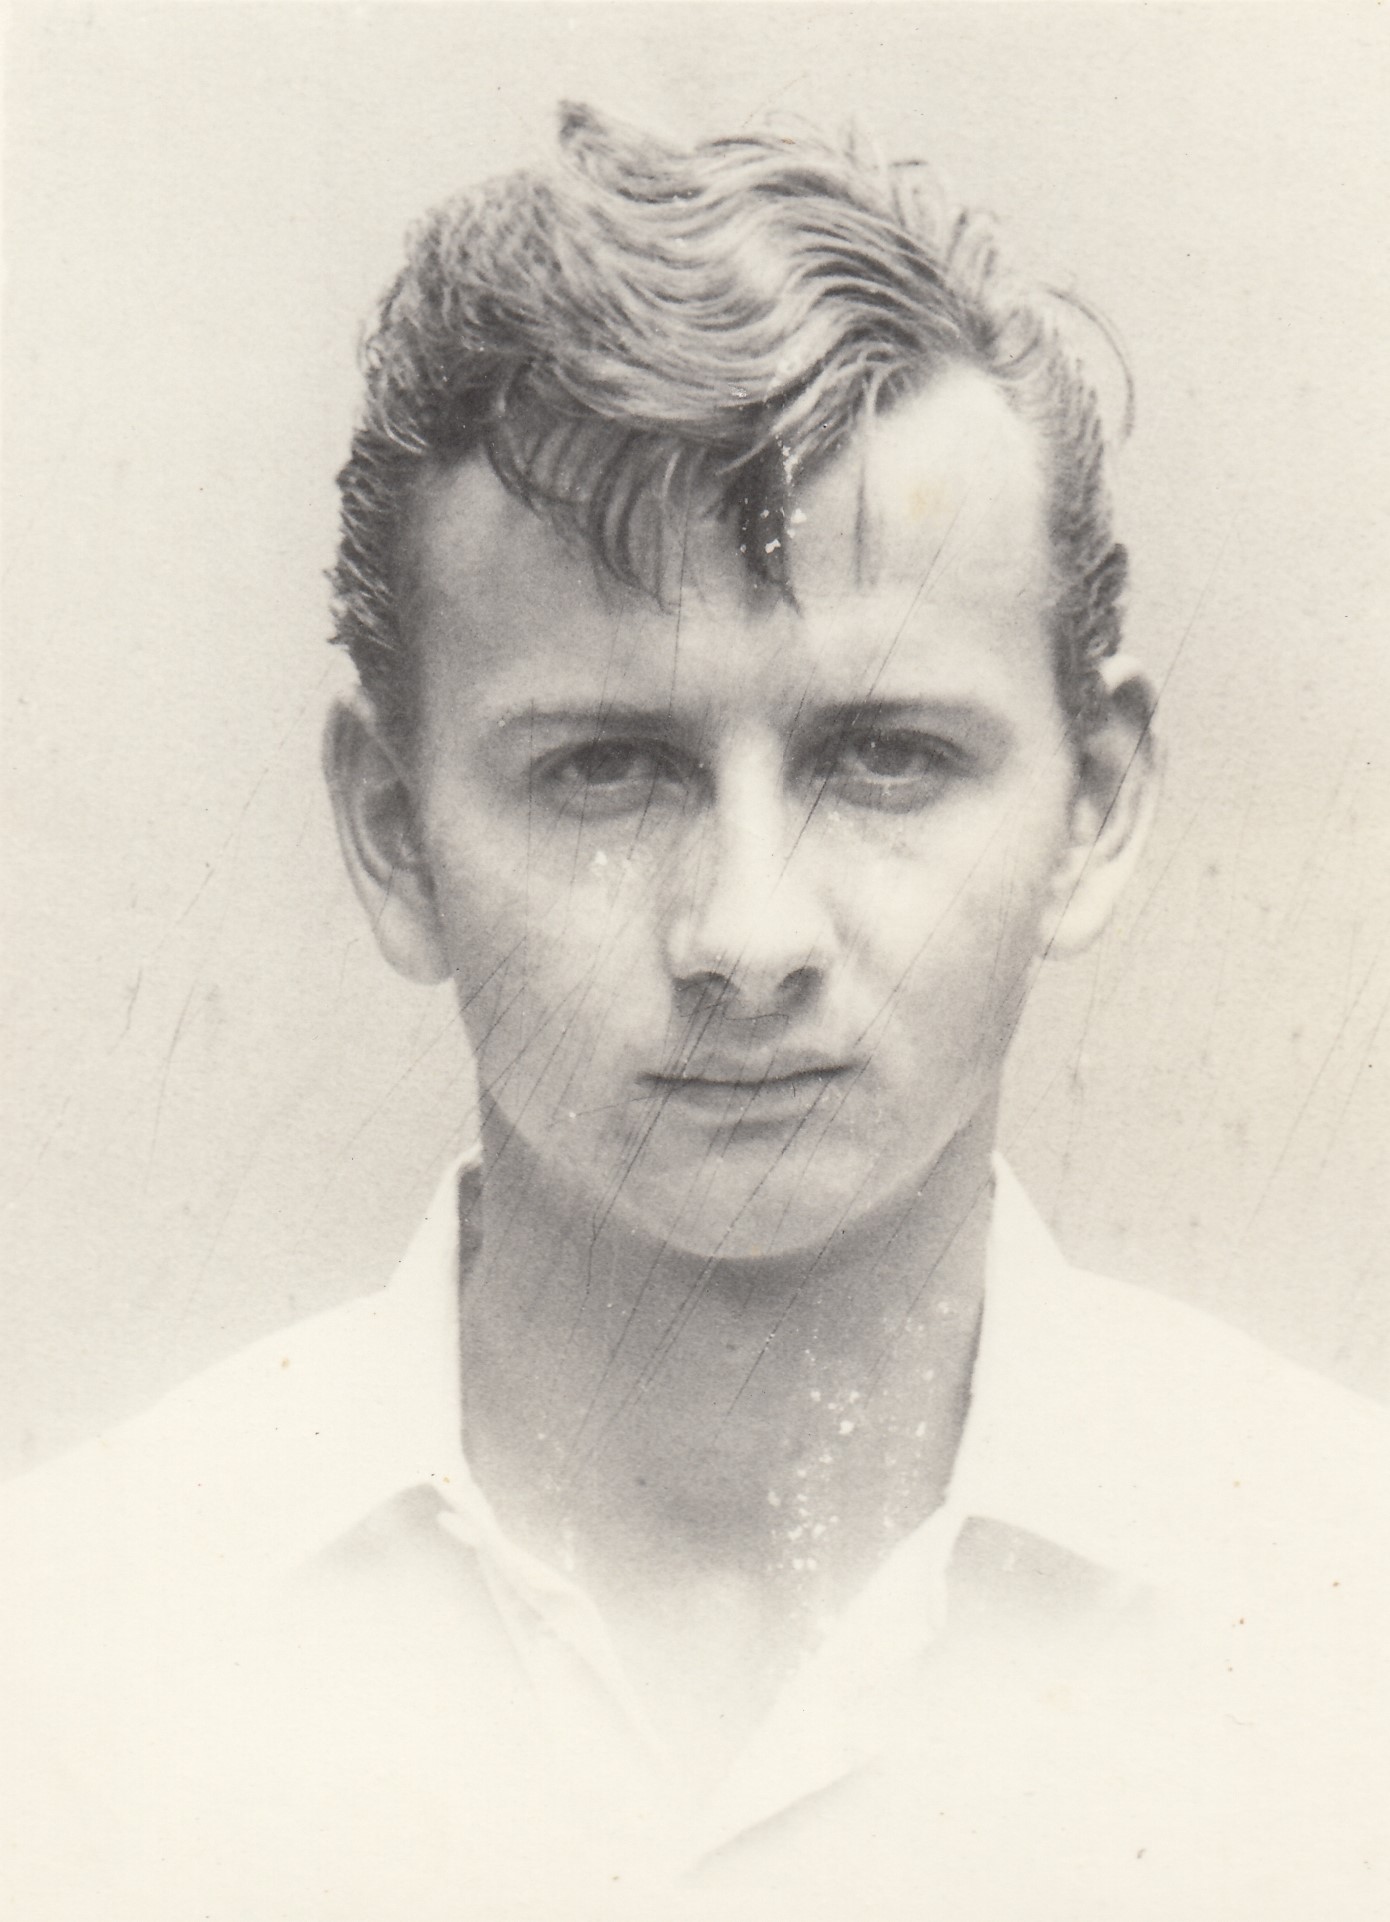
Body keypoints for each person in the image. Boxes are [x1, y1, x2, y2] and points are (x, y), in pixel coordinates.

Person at [4, 103, 1387, 1922]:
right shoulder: (71, 1664)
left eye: (883, 757)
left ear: (1095, 804)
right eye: (606, 768)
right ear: (394, 829)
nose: (746, 932)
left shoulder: (1340, 1627)